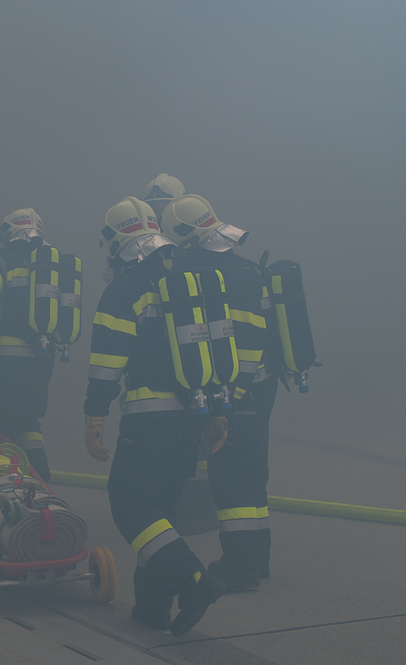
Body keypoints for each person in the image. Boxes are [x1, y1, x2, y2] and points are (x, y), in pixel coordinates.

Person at [83, 196, 224, 636]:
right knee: (160, 507)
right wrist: (218, 410)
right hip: (193, 412)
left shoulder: (126, 289)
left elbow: (108, 360)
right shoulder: (187, 279)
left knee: (129, 501)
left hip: (149, 415)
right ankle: (152, 608)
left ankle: (193, 580)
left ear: (115, 242)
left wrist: (94, 414)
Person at [162, 193, 275, 590]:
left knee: (231, 476)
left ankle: (241, 568)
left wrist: (231, 398)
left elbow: (247, 341)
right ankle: (258, 559)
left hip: (241, 388)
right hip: (261, 385)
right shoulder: (244, 268)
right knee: (253, 471)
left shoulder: (229, 277)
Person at [0, 208, 57, 481]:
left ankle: (3, 484)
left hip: (7, 360)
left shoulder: (4, 261)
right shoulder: (51, 265)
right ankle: (42, 478)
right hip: (42, 357)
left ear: (10, 234)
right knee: (29, 422)